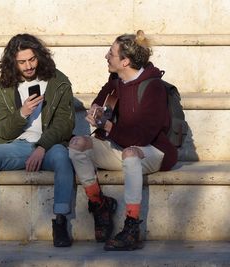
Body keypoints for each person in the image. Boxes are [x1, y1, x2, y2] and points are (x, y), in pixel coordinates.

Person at [68, 30, 177, 251]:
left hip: (153, 151)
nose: (106, 57)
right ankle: (100, 204)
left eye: (111, 53)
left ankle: (132, 226)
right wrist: (97, 112)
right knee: (76, 145)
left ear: (125, 61)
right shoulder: (116, 82)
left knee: (130, 154)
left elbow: (141, 138)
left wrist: (108, 126)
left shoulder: (153, 88)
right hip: (120, 144)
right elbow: (101, 101)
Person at [0, 33, 75, 247]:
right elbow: (2, 129)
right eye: (22, 62)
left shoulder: (58, 81)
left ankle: (60, 222)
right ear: (12, 62)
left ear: (40, 57)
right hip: (17, 146)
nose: (28, 66)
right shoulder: (3, 87)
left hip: (50, 145)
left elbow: (65, 123)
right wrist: (22, 113)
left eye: (32, 59)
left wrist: (42, 146)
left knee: (63, 157)